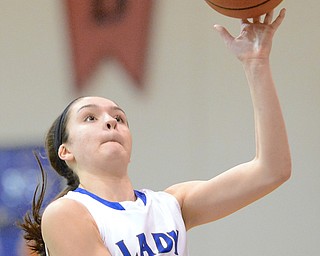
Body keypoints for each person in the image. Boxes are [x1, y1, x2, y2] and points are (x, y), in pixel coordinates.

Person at [19, 9, 291, 256]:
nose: (111, 122)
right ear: (66, 151)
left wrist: (256, 64)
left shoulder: (171, 205)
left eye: (119, 118)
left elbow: (272, 169)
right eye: (90, 117)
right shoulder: (67, 212)